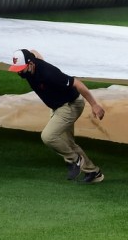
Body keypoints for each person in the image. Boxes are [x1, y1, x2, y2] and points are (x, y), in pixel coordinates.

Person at [8, 49, 105, 183]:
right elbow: (34, 52)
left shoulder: (49, 74)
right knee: (68, 143)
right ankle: (94, 172)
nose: (19, 72)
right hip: (58, 106)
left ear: (30, 64)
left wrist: (94, 104)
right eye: (17, 69)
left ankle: (75, 159)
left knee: (48, 136)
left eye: (22, 68)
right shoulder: (31, 66)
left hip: (70, 105)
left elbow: (77, 83)